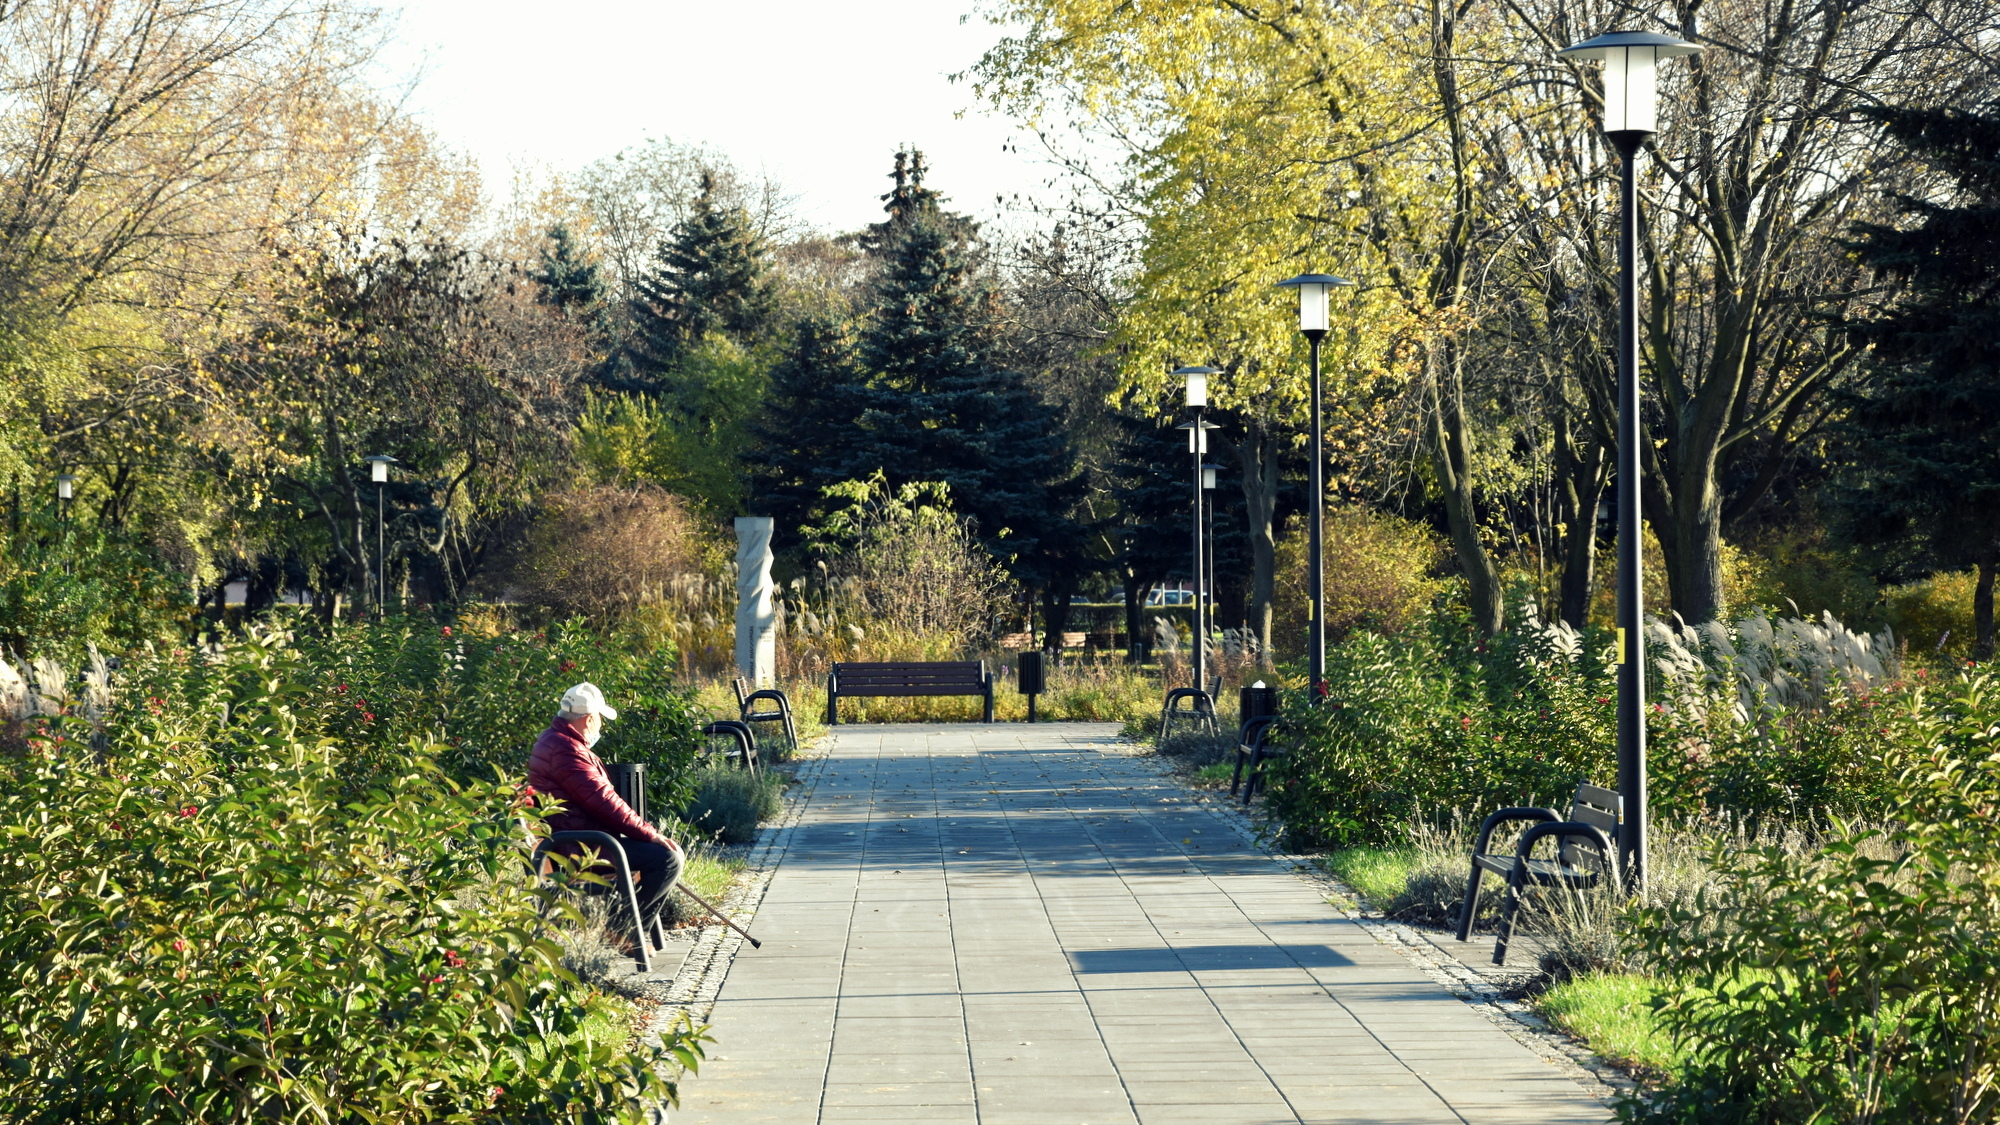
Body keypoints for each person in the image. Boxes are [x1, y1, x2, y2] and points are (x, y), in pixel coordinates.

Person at [526, 682, 683, 933]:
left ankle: (626, 928)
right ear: (589, 719)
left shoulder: (555, 740)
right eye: (599, 718)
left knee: (661, 856)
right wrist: (650, 834)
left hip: (575, 841)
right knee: (668, 860)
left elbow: (600, 799)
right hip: (579, 850)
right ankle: (624, 931)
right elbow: (605, 802)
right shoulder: (567, 750)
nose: (600, 724)